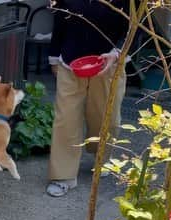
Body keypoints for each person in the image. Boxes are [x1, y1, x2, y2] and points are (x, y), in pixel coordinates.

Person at [46, 0, 130, 197]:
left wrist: (117, 52)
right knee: (65, 120)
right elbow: (59, 22)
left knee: (106, 118)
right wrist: (53, 58)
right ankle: (62, 176)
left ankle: (101, 157)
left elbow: (135, 29)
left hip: (109, 63)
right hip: (70, 61)